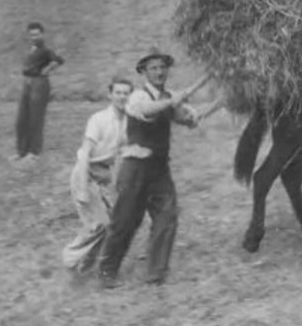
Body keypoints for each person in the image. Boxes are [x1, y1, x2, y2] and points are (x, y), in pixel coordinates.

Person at [98, 50, 209, 288]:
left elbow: (187, 119)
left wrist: (204, 109)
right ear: (144, 73)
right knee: (125, 221)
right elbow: (147, 110)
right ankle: (107, 270)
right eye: (154, 68)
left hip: (159, 169)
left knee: (167, 216)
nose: (159, 72)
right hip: (135, 169)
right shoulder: (138, 96)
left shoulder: (168, 97)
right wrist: (172, 101)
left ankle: (156, 274)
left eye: (162, 67)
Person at [62, 76, 132, 275]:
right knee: (99, 223)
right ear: (110, 95)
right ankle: (70, 258)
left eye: (126, 93)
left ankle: (85, 266)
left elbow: (120, 154)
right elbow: (84, 154)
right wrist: (83, 189)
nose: (122, 97)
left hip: (103, 175)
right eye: (118, 93)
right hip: (85, 172)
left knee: (110, 223)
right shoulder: (99, 119)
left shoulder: (127, 121)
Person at [12, 22, 64, 163]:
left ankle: (34, 152)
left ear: (42, 34)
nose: (34, 37)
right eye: (31, 35)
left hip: (39, 84)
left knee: (35, 118)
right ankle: (21, 151)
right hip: (28, 83)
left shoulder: (45, 50)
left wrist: (47, 70)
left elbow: (58, 60)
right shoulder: (31, 49)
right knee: (22, 119)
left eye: (36, 34)